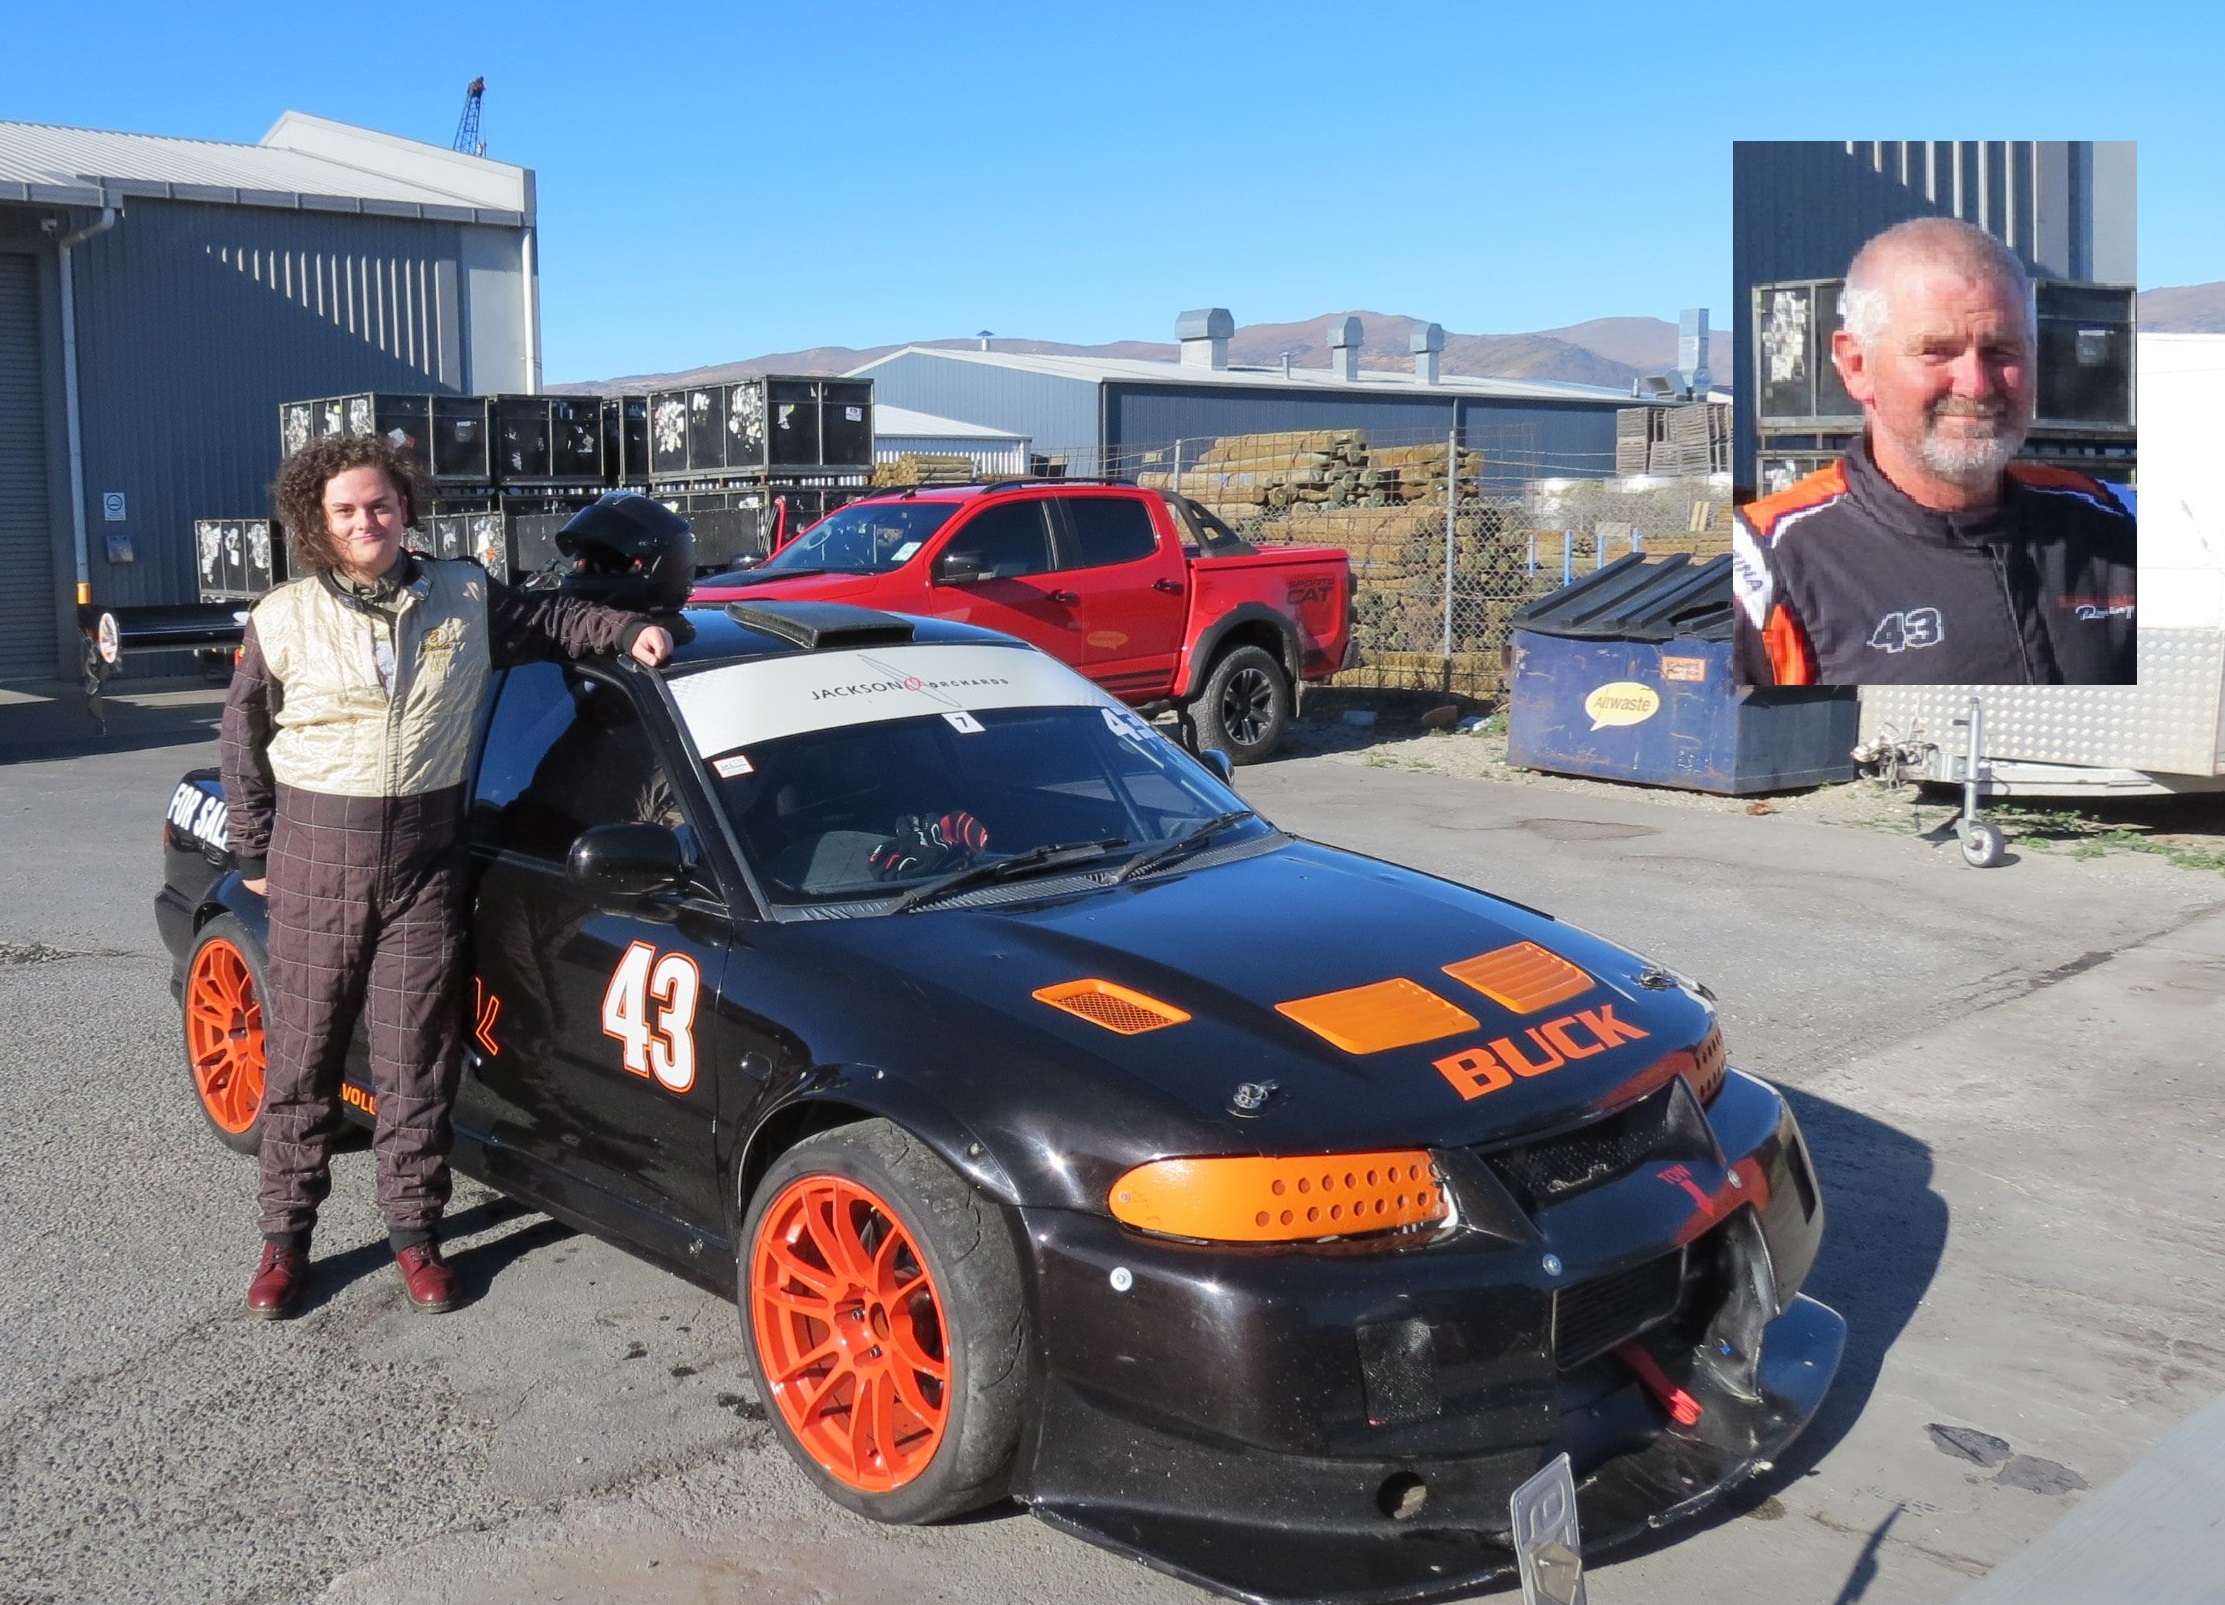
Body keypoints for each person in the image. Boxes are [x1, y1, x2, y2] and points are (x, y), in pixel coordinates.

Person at [220, 437, 675, 1318]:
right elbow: (242, 743)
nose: (367, 521)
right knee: (305, 1058)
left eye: (381, 505)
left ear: (406, 508)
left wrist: (624, 629)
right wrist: (254, 854)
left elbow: (550, 623)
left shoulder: (463, 593)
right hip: (319, 857)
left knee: (415, 1057)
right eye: (347, 510)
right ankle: (285, 1241)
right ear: (318, 521)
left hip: (426, 862)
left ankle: (414, 1237)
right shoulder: (281, 616)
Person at [1732, 216, 2135, 686]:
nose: (1977, 385)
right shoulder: (1766, 571)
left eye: (2002, 351)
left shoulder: (2120, 525)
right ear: (1857, 365)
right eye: (1936, 351)